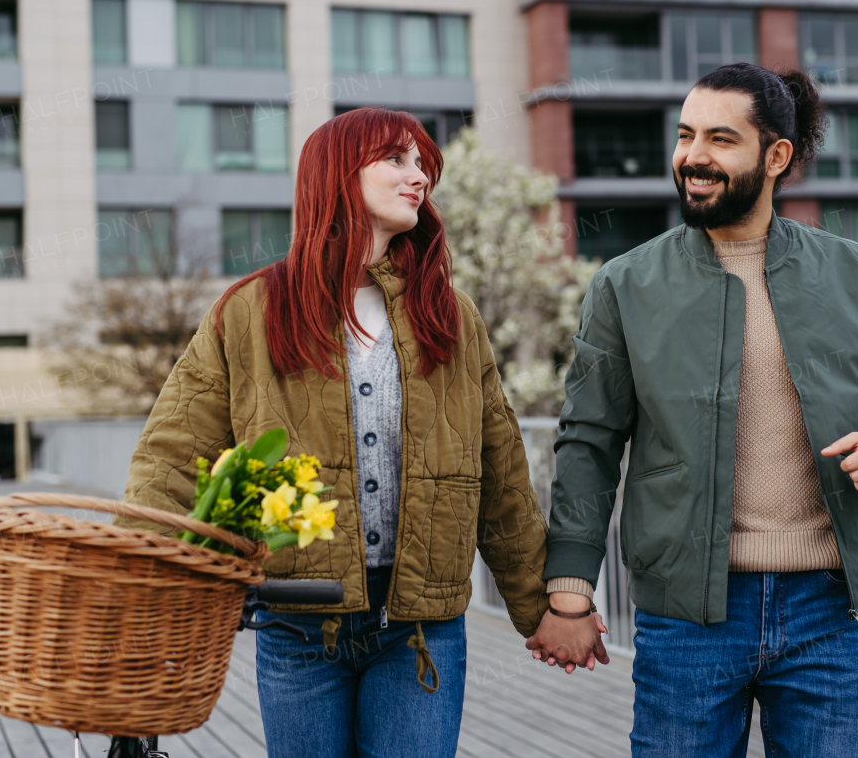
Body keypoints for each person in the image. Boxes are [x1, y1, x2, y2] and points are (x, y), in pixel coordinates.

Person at [527, 64, 858, 756]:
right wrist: (570, 586)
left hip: (830, 611)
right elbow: (589, 442)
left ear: (776, 155)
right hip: (688, 614)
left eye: (720, 139)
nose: (693, 155)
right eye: (686, 135)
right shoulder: (626, 285)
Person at [119, 108, 558, 757]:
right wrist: (136, 599)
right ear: (338, 175)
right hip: (297, 622)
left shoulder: (451, 314)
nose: (419, 178)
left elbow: (500, 474)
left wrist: (542, 605)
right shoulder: (251, 311)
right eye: (397, 160)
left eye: (422, 164)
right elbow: (172, 459)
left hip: (420, 627)